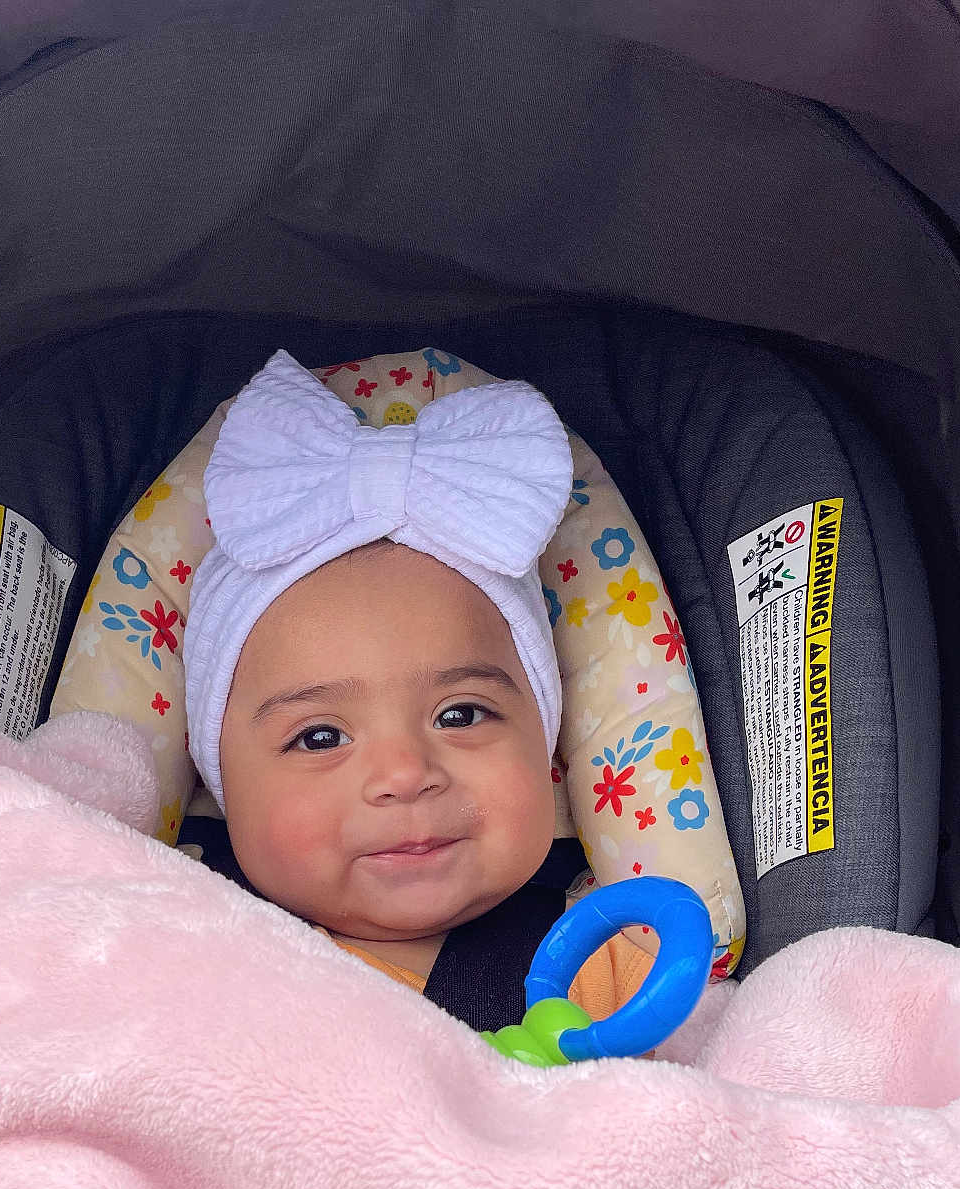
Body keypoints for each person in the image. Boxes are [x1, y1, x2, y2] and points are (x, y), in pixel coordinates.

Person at [179, 346, 654, 1019]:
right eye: (319, 736)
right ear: (220, 780)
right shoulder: (173, 952)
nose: (405, 773)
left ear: (547, 743)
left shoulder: (606, 971)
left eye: (460, 715)